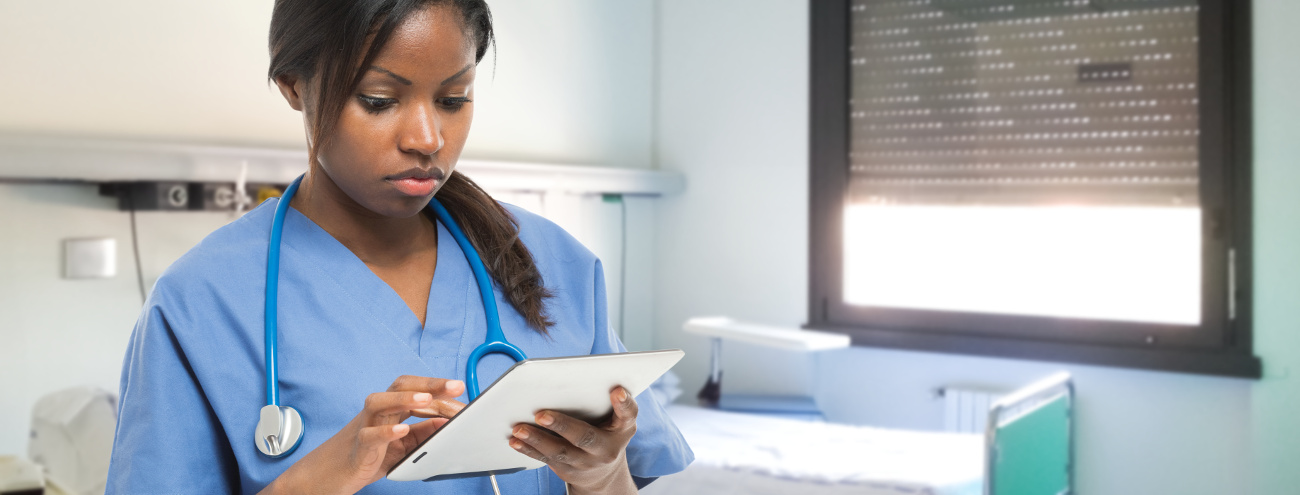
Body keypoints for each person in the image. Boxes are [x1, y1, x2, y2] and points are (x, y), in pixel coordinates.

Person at [104, 1, 693, 493]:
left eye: (453, 99)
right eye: (381, 100)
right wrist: (322, 478)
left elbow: (628, 477)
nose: (427, 139)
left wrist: (602, 473)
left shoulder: (550, 258)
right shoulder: (202, 301)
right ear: (293, 87)